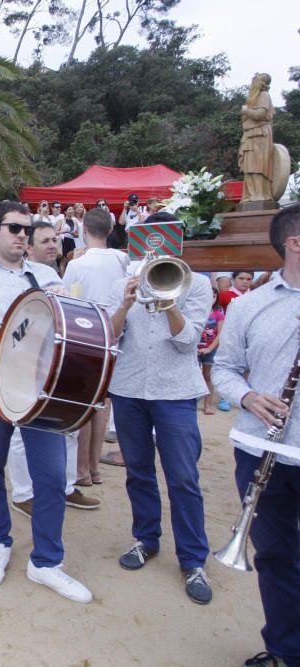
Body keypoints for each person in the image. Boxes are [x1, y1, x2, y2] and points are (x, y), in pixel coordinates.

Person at [0, 200, 92, 603]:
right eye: (13, 228)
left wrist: (64, 301)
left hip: (39, 391)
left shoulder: (44, 277)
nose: (21, 235)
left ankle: (46, 562)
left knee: (52, 475)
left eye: (26, 229)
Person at [105, 211, 214, 606]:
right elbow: (110, 334)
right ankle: (145, 539)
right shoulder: (125, 283)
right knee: (138, 471)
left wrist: (168, 300)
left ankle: (192, 559)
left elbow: (188, 343)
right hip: (130, 387)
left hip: (176, 391)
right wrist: (125, 303)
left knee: (183, 477)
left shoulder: (197, 285)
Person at [213, 205, 300, 667]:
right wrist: (247, 398)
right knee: (276, 555)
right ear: (294, 243)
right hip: (262, 449)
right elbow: (224, 371)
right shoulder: (250, 304)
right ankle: (287, 650)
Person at [6, 222, 101, 519]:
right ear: (28, 247)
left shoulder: (61, 274)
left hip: (61, 361)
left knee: (68, 424)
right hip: (26, 365)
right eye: (44, 241)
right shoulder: (18, 278)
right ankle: (23, 493)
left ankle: (67, 485)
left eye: (55, 239)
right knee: (23, 430)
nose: (52, 245)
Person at [62, 208, 129, 485]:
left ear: (84, 231)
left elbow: (66, 298)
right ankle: (94, 468)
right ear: (110, 229)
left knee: (85, 405)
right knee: (102, 404)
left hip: (87, 334)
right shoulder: (122, 259)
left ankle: (82, 471)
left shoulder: (78, 264)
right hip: (115, 333)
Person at [238, 72, 276, 205]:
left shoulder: (264, 95)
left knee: (258, 166)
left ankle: (259, 195)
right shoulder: (254, 97)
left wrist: (245, 111)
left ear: (261, 83)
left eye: (254, 80)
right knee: (249, 167)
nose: (251, 83)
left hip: (259, 135)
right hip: (250, 135)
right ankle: (251, 194)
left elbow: (261, 114)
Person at [198, 288, 225, 416]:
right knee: (192, 376)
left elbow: (220, 334)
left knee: (207, 376)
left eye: (213, 296)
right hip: (194, 349)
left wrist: (210, 348)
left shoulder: (218, 314)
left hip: (211, 349)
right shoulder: (195, 311)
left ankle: (207, 405)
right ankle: (190, 403)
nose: (211, 299)